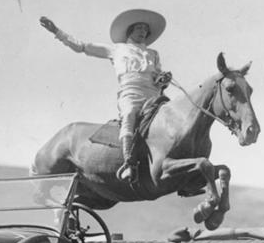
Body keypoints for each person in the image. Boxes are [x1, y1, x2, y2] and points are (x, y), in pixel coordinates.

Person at [40, 9, 172, 182]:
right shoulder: (117, 49)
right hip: (131, 92)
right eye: (139, 28)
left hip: (153, 95)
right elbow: (82, 47)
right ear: (130, 30)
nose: (143, 31)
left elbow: (158, 77)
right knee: (130, 114)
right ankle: (128, 163)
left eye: (145, 29)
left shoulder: (153, 54)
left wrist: (163, 79)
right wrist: (57, 32)